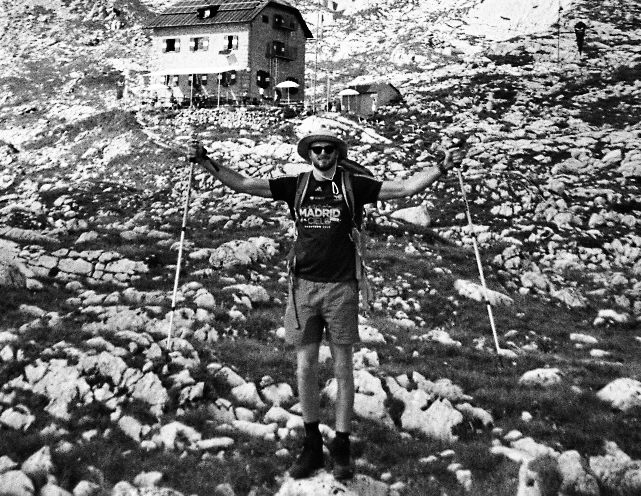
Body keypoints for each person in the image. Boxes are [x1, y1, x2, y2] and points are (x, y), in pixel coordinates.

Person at [186, 129, 458, 481]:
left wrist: (441, 168)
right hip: (303, 287)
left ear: (336, 153)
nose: (323, 154)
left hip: (342, 288)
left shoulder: (353, 185)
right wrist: (207, 162)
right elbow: (244, 184)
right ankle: (312, 444)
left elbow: (404, 187)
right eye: (317, 150)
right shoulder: (295, 186)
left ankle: (341, 447)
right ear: (309, 154)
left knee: (343, 368)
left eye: (329, 149)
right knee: (305, 368)